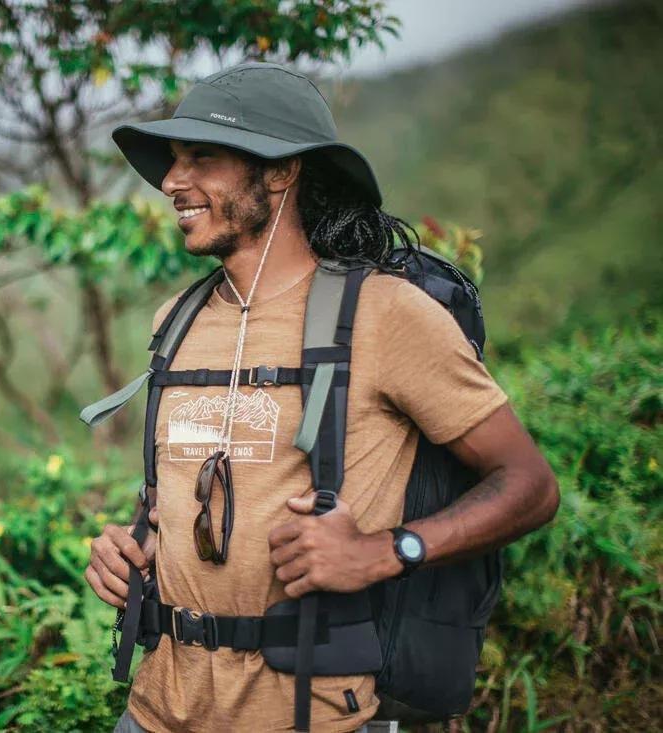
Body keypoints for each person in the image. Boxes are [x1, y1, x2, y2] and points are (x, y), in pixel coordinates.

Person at [84, 62, 560, 733]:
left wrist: (389, 549)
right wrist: (131, 545)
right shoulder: (177, 320)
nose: (170, 182)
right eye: (172, 160)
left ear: (282, 171)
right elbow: (192, 488)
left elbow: (531, 484)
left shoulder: (384, 314)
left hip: (310, 715)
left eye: (203, 157)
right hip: (155, 709)